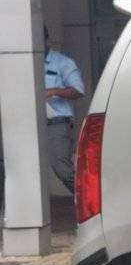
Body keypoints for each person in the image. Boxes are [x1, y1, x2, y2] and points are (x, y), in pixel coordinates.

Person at [44, 28, 85, 195]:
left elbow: (79, 90)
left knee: (61, 166)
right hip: (28, 123)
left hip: (56, 122)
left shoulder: (62, 62)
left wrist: (54, 91)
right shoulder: (22, 61)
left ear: (45, 38)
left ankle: (86, 200)